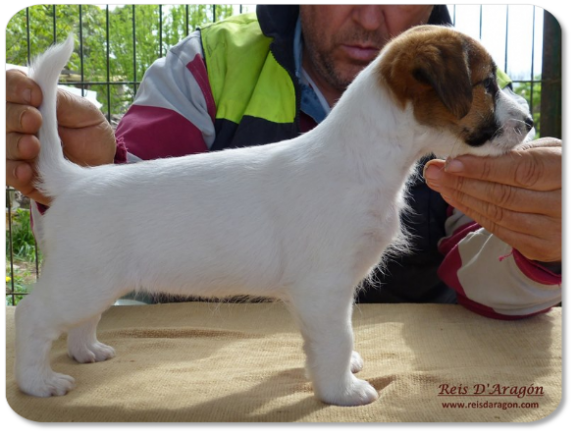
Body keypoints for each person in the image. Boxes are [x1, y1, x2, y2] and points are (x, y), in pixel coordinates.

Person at [5, 5, 561, 318]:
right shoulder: (208, 65)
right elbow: (129, 205)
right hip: (198, 345)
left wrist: (547, 251)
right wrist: (95, 172)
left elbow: (491, 265)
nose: (369, 17)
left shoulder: (476, 96)